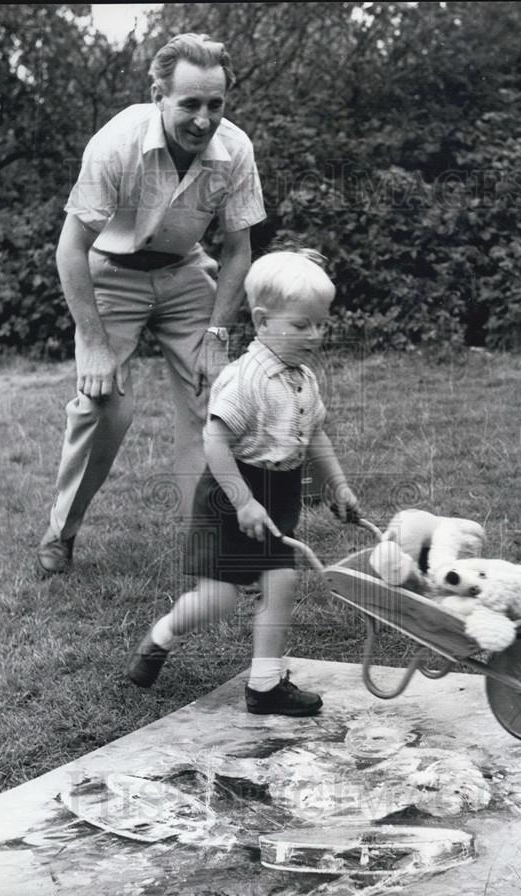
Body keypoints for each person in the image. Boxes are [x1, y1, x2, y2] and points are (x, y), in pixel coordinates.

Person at [36, 33, 266, 575]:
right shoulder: (116, 142)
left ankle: (207, 546)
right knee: (104, 405)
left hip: (185, 272)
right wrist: (92, 343)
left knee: (215, 400)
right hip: (112, 274)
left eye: (216, 104)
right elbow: (71, 247)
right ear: (158, 94)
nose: (203, 119)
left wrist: (216, 337)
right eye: (190, 103)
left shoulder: (236, 151)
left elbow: (238, 251)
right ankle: (61, 532)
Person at [126, 249, 360, 716]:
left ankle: (265, 685)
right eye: (301, 325)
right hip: (231, 495)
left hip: (278, 495)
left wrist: (337, 486)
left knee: (282, 581)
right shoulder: (244, 378)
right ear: (262, 319)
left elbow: (315, 436)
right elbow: (214, 440)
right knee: (219, 597)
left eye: (320, 324)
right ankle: (162, 635)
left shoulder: (303, 379)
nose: (314, 334)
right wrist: (244, 502)